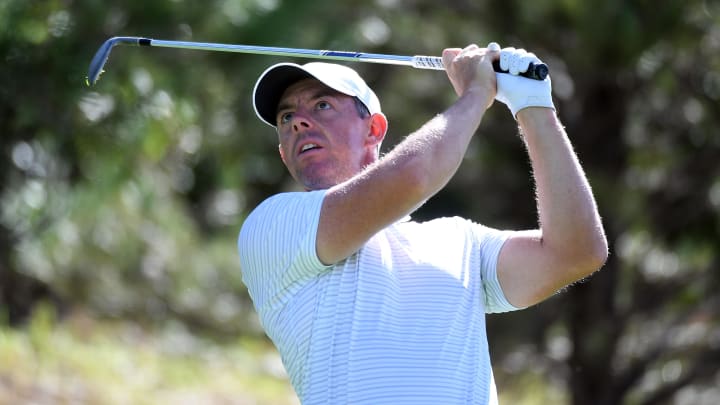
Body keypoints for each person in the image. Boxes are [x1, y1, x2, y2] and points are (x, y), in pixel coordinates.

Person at [238, 42, 608, 404]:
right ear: (283, 152)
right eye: (286, 118)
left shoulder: (462, 242)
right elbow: (414, 176)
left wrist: (534, 108)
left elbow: (576, 252)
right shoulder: (273, 226)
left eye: (322, 105)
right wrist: (477, 93)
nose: (299, 122)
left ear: (374, 130)